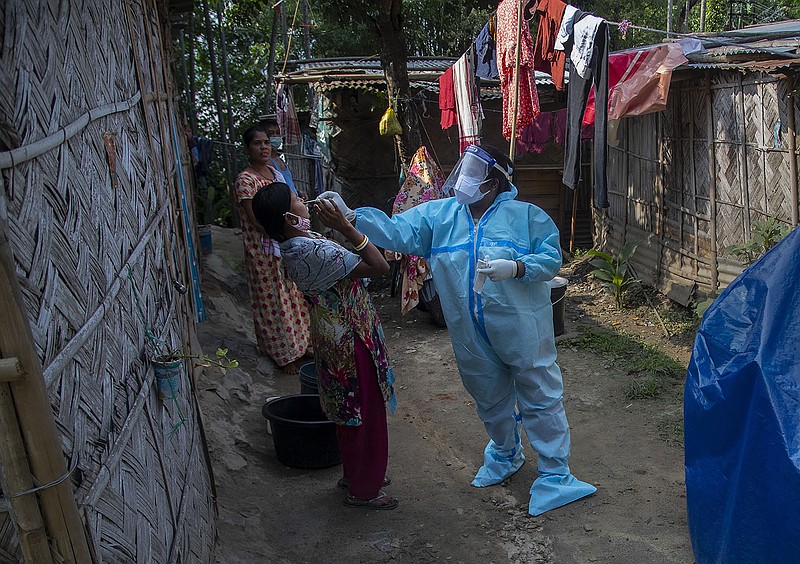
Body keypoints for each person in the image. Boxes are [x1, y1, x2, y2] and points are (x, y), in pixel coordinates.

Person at [318, 145, 595, 516]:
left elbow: (550, 259)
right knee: (488, 395)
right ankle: (505, 453)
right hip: (469, 334)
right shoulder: (441, 216)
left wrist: (515, 267)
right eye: (465, 168)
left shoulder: (527, 216)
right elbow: (397, 230)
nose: (464, 177)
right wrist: (351, 217)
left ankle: (556, 475)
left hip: (521, 329)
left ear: (494, 183)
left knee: (539, 394)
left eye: (475, 172)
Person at [252, 182, 399, 510]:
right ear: (290, 218)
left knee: (348, 410)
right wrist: (345, 226)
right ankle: (365, 489)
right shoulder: (314, 251)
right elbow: (380, 266)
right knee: (366, 410)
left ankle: (356, 474)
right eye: (297, 201)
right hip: (351, 337)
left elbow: (330, 255)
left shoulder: (293, 248)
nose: (305, 202)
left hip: (332, 338)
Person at [235, 124, 311, 374]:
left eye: (266, 142)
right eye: (257, 143)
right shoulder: (246, 180)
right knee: (272, 300)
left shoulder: (274, 171)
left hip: (285, 241)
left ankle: (302, 346)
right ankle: (283, 354)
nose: (263, 147)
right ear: (248, 148)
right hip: (264, 250)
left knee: (294, 295)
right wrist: (280, 232)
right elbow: (255, 221)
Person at [261, 118, 304, 198]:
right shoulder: (267, 163)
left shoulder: (280, 159)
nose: (275, 136)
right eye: (271, 133)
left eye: (278, 133)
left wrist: (297, 192)